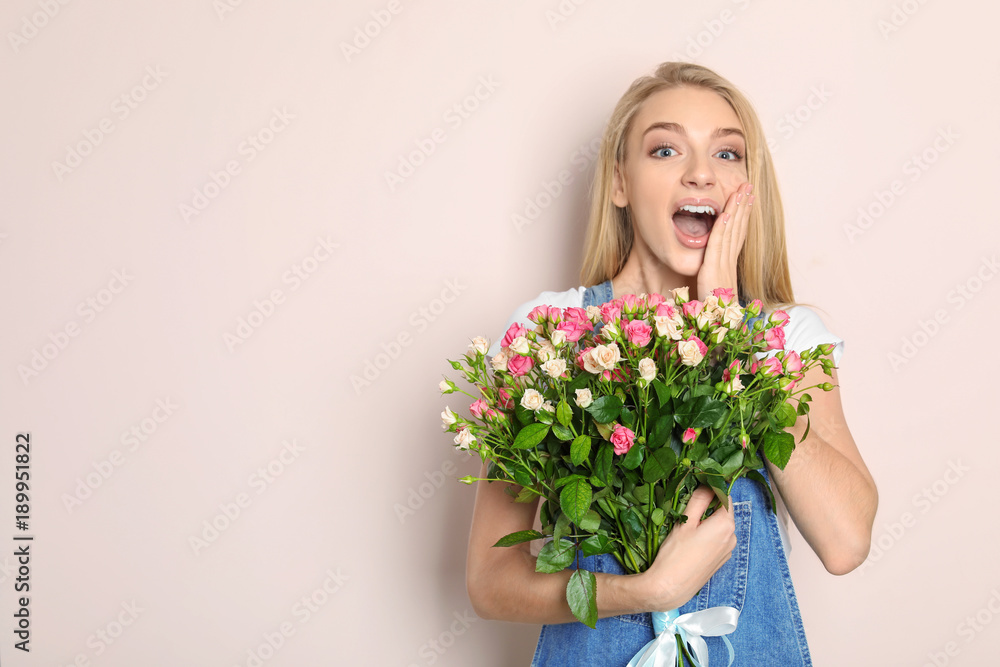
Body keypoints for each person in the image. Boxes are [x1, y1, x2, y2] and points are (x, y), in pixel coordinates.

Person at [465, 61, 878, 666]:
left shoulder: (787, 337)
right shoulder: (548, 333)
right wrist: (642, 592)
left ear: (746, 185)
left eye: (728, 155)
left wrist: (727, 326)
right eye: (665, 149)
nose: (701, 174)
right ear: (619, 184)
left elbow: (845, 542)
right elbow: (491, 580)